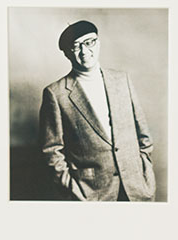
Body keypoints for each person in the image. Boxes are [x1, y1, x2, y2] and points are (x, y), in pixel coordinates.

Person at [38, 20, 156, 201]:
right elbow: (51, 152)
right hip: (91, 194)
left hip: (137, 188)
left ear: (98, 43)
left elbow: (143, 135)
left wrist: (145, 173)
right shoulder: (55, 93)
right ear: (67, 54)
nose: (84, 51)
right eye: (76, 47)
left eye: (89, 42)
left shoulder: (122, 80)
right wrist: (75, 191)